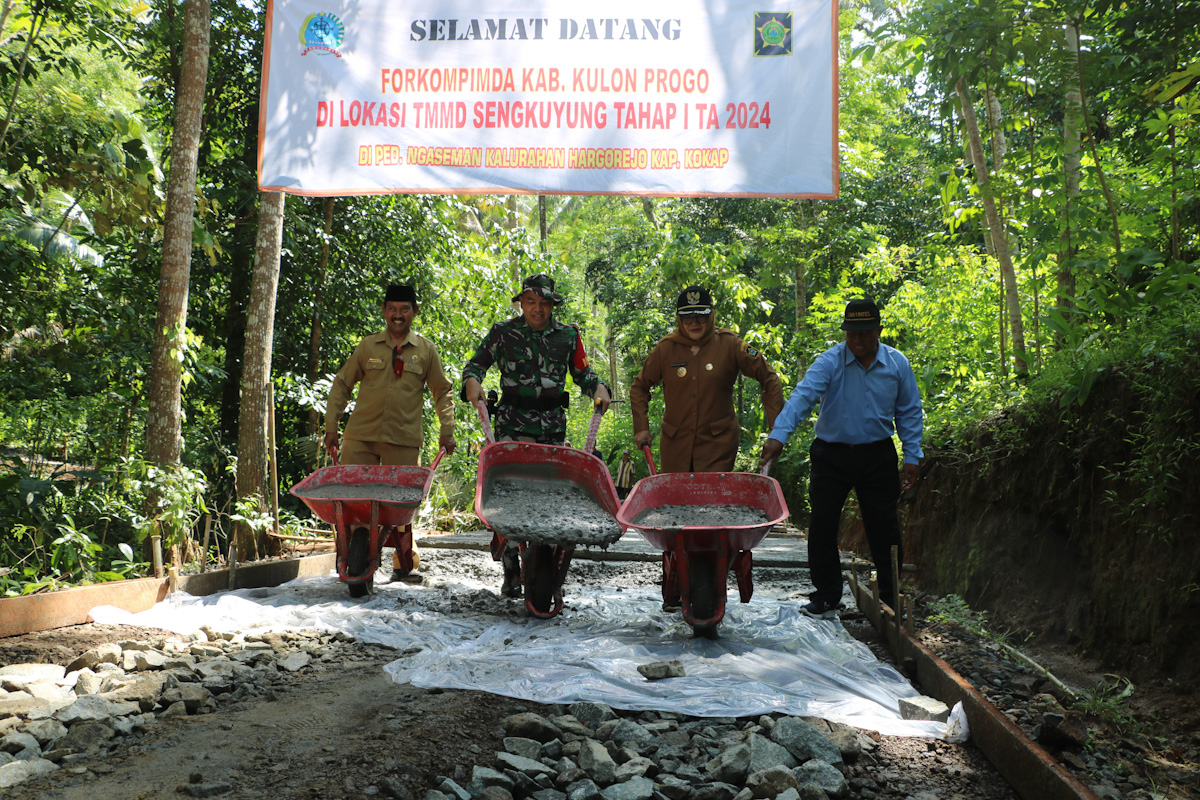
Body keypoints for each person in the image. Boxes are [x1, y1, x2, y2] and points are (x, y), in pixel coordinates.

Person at [759, 298, 923, 619]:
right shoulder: (830, 362)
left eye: (864, 333)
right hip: (831, 456)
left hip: (878, 455)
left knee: (885, 527)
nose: (857, 341)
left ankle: (890, 596)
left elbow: (909, 412)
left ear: (879, 330)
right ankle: (827, 595)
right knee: (822, 524)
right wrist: (778, 435)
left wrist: (913, 456)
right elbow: (802, 397)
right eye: (851, 334)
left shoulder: (897, 365)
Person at [462, 273, 612, 596]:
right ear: (522, 303)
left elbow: (585, 374)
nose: (538, 309)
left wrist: (599, 388)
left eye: (544, 303)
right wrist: (472, 384)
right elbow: (475, 366)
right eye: (531, 302)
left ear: (552, 305)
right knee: (508, 501)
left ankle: (550, 568)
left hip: (552, 431)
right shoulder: (504, 333)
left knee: (551, 500)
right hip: (512, 429)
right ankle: (511, 566)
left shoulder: (568, 336)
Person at [324, 284, 456, 583]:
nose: (398, 315)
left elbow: (442, 390)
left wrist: (447, 431)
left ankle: (403, 558)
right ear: (384, 311)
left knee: (401, 508)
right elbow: (342, 384)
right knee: (354, 501)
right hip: (361, 436)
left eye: (404, 309)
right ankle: (350, 556)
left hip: (403, 439)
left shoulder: (425, 350)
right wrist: (332, 426)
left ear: (414, 312)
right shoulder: (368, 347)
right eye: (392, 309)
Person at [631, 285, 784, 473]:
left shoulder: (730, 344)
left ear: (711, 315)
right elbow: (639, 387)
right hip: (675, 446)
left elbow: (769, 378)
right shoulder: (666, 348)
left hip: (717, 446)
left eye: (700, 316)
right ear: (679, 319)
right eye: (687, 317)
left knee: (712, 500)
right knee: (675, 500)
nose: (694, 323)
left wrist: (776, 431)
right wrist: (641, 427)